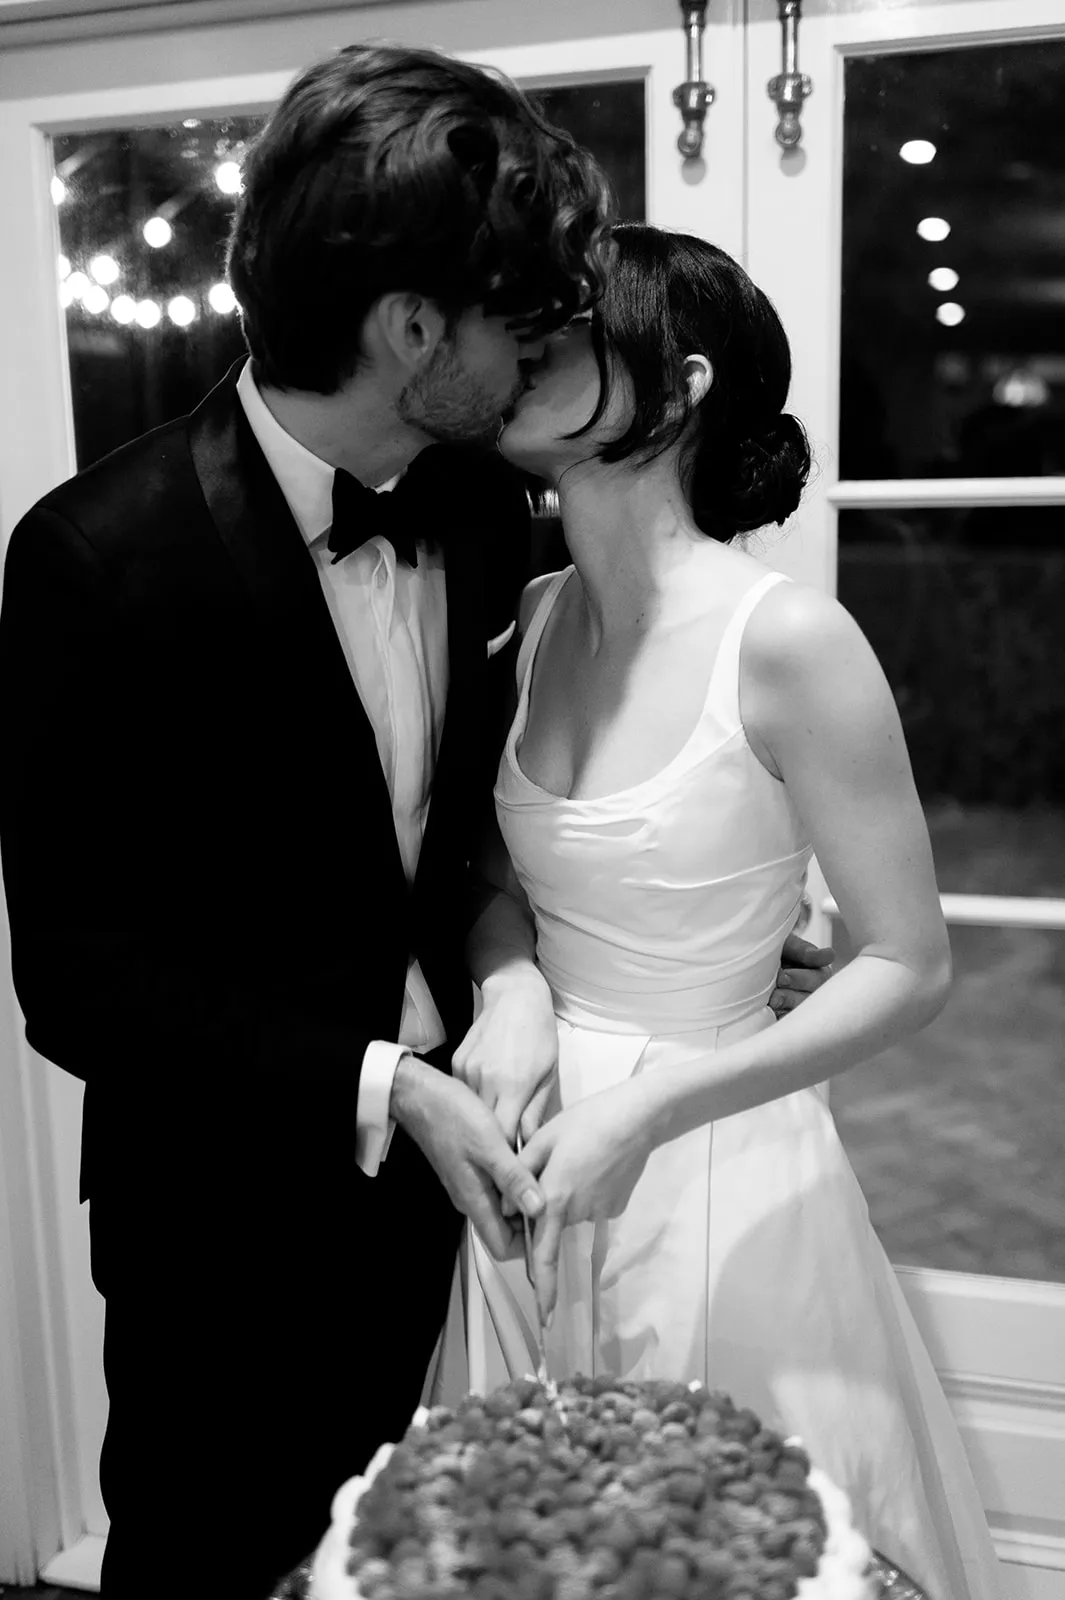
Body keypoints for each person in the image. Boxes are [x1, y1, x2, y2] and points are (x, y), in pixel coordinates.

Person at [0, 49, 832, 1599]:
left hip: (481, 1229)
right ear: (410, 329)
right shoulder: (93, 561)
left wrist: (679, 919)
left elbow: (491, 821)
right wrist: (390, 1083)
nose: (539, 358)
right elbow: (77, 974)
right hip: (230, 1242)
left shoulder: (468, 500)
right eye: (520, 323)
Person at [451, 225, 1001, 1600]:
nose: (526, 355)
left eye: (569, 336)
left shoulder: (791, 640)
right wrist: (510, 986)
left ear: (680, 386)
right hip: (525, 1157)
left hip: (711, 1160)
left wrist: (649, 1105)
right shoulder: (532, 610)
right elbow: (502, 875)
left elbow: (907, 962)